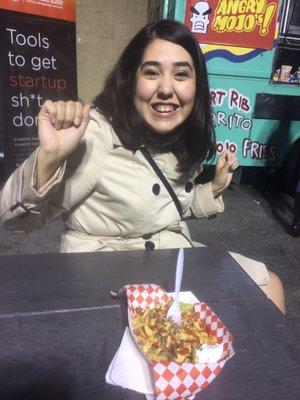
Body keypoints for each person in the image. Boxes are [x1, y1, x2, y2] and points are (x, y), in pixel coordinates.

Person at [0, 20, 285, 313]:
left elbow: (165, 206)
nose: (165, 88)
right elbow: (15, 221)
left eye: (181, 74)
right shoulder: (97, 134)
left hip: (170, 258)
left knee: (269, 284)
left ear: (196, 84)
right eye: (151, 72)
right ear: (130, 79)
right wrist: (50, 157)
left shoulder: (179, 134)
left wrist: (212, 188)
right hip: (108, 272)